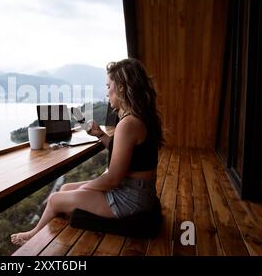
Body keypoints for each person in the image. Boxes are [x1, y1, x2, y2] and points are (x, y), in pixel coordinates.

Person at [11, 58, 164, 246]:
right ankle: (55, 233)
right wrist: (101, 135)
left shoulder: (128, 123)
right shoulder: (138, 118)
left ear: (122, 88)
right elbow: (128, 157)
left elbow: (114, 178)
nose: (107, 93)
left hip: (130, 198)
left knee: (55, 199)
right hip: (138, 191)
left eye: (109, 86)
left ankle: (33, 236)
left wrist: (87, 188)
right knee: (65, 189)